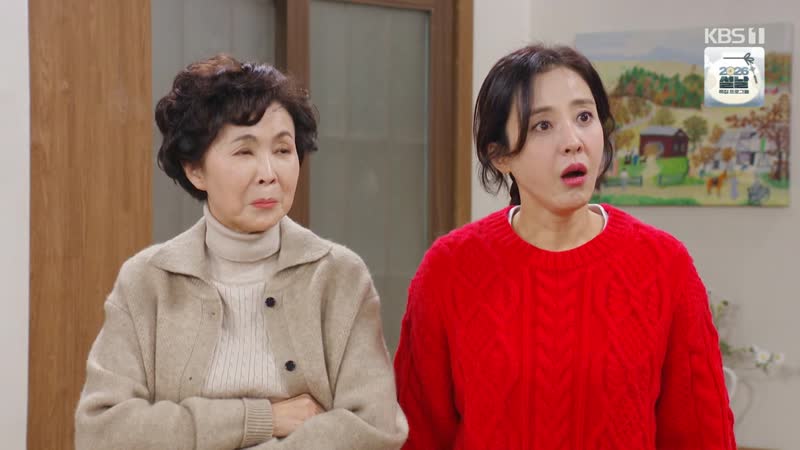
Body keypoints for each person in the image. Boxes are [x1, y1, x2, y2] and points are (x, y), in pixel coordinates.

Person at [394, 44, 736, 449]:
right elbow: (417, 433)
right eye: (543, 125)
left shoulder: (665, 265)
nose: (573, 141)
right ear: (499, 155)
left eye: (584, 117)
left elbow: (702, 435)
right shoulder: (449, 268)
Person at [75, 54, 407, 450]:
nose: (268, 173)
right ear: (195, 169)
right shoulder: (147, 282)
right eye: (244, 152)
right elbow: (102, 431)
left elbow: (375, 426)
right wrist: (262, 418)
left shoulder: (339, 277)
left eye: (282, 150)